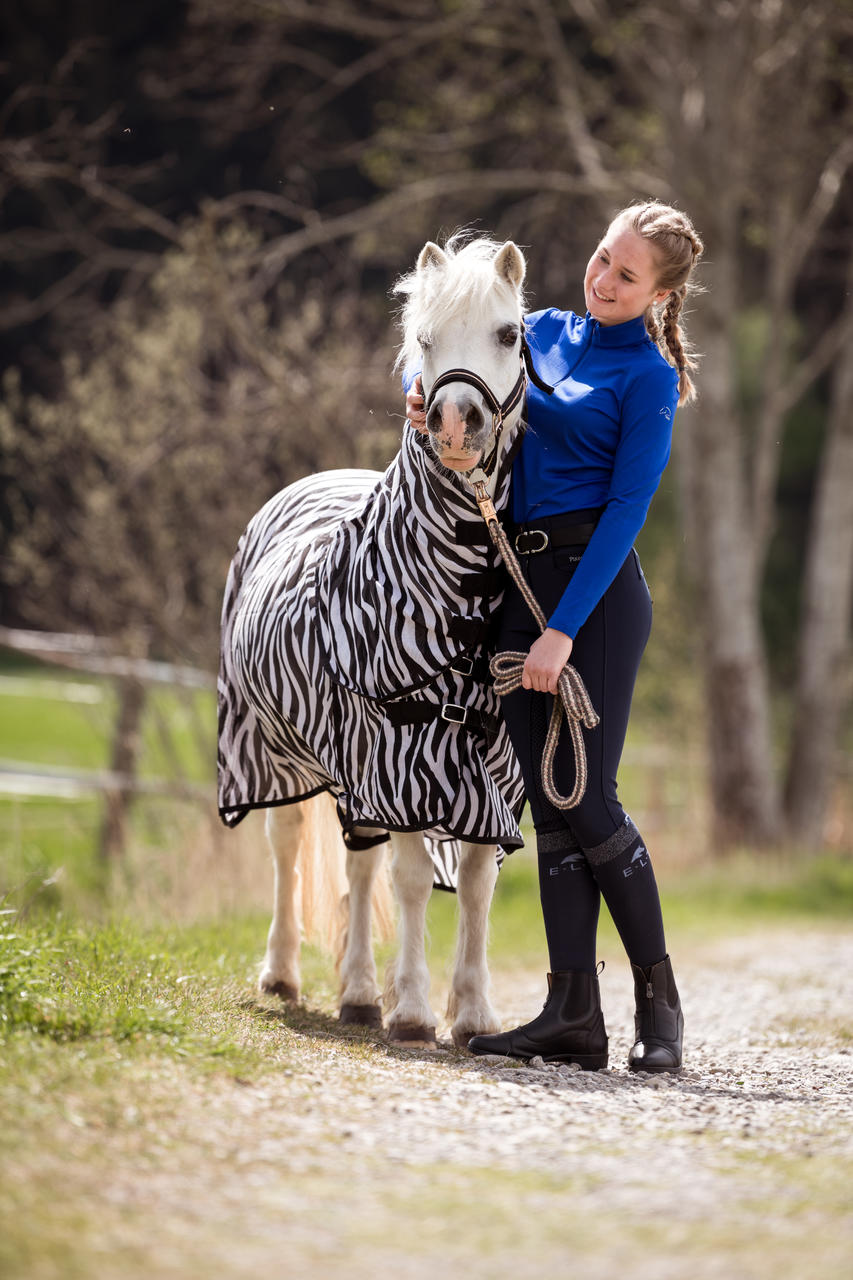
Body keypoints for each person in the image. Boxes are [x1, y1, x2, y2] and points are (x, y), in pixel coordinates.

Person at [405, 201, 704, 1072]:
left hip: (593, 598)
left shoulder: (648, 378)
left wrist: (563, 630)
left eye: (626, 275)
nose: (603, 281)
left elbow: (626, 510)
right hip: (517, 582)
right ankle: (573, 1013)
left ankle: (660, 1006)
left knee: (585, 797)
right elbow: (447, 354)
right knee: (544, 803)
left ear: (657, 293)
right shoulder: (535, 329)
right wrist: (422, 403)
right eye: (602, 260)